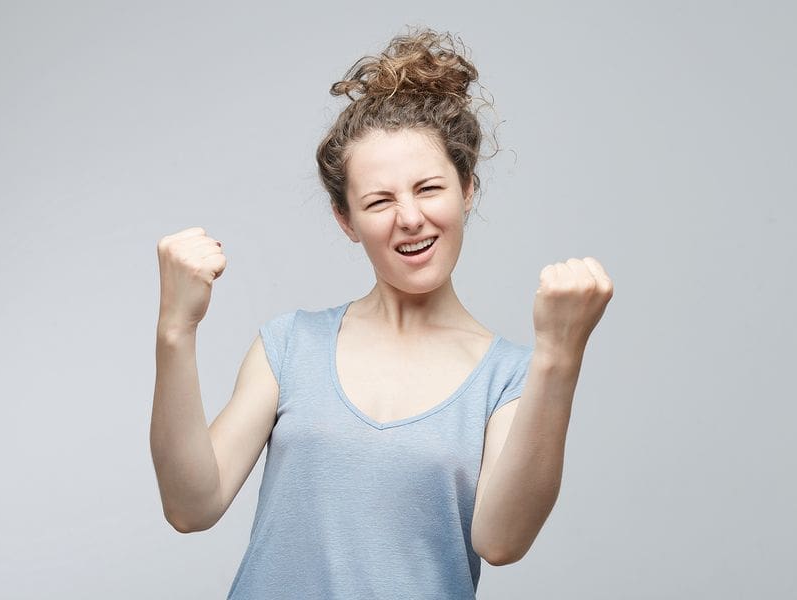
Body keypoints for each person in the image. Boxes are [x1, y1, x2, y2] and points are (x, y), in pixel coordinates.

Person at [150, 27, 613, 599]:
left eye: (429, 188)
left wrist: (560, 357)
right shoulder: (290, 345)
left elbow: (501, 541)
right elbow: (190, 506)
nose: (410, 218)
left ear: (467, 190)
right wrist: (176, 329)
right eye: (379, 201)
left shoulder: (512, 379)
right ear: (346, 220)